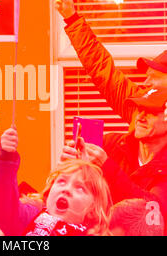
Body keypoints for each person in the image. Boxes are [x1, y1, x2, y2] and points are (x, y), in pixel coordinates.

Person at [62, 87, 167, 234]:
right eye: (139, 109)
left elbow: (155, 211)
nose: (140, 117)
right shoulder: (112, 143)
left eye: (151, 112)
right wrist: (72, 167)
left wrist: (108, 168)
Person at [55, 0, 167, 129]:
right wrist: (72, 18)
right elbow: (101, 68)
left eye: (154, 77)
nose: (146, 82)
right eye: (147, 76)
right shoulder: (137, 107)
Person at [0, 127, 112, 236]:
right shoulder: (31, 218)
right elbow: (1, 204)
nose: (66, 189)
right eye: (62, 181)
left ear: (93, 208)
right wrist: (6, 157)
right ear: (49, 191)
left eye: (80, 188)